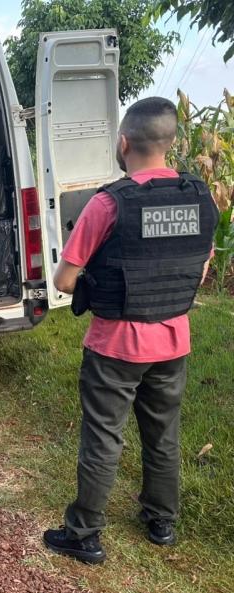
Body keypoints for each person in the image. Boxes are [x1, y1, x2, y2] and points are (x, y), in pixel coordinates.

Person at [42, 97, 219, 564]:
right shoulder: (199, 196)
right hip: (173, 341)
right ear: (171, 142)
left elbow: (63, 280)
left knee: (104, 436)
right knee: (163, 434)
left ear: (124, 144)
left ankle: (83, 535)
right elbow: (200, 269)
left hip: (116, 345)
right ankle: (161, 521)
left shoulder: (109, 203)